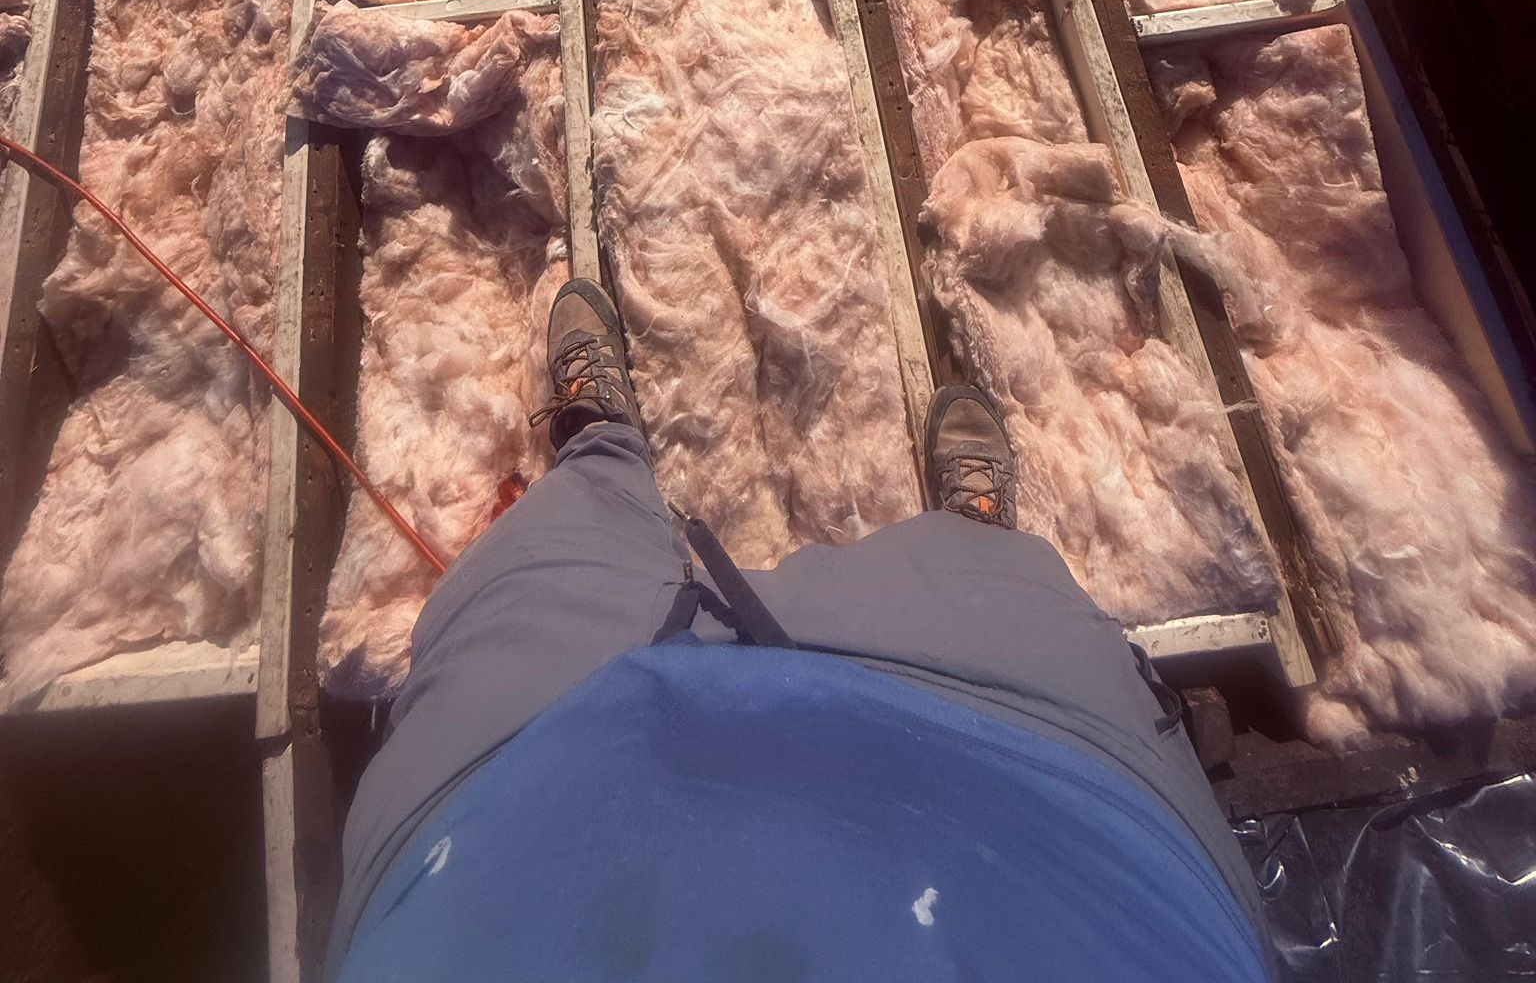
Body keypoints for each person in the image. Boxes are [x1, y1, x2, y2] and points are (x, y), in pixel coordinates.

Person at [331, 278, 1276, 980]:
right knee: (1020, 610)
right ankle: (974, 548)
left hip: (516, 812)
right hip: (1045, 810)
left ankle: (597, 452)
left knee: (530, 577)